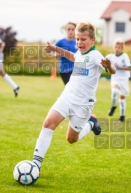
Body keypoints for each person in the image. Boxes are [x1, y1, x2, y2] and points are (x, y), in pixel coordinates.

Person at [32, 23, 116, 174]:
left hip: (83, 105)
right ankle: (35, 164)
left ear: (93, 39)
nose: (79, 42)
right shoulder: (79, 52)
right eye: (77, 39)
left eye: (83, 39)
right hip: (67, 96)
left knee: (71, 139)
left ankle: (91, 123)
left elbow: (112, 71)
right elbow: (72, 56)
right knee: (48, 124)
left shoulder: (96, 56)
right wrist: (55, 49)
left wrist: (109, 66)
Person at [106, 38, 131, 122]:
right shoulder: (110, 57)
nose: (117, 49)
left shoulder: (125, 56)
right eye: (115, 47)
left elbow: (129, 67)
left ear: (122, 48)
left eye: (119, 47)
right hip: (115, 78)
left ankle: (122, 116)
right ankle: (113, 106)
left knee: (122, 98)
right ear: (113, 47)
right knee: (114, 91)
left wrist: (120, 67)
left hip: (124, 80)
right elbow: (103, 63)